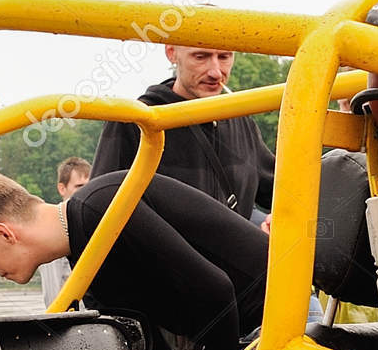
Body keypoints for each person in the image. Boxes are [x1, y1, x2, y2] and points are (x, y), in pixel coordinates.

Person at [0, 170, 269, 350]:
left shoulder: (100, 208)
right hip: (241, 332)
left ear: (4, 233)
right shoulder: (86, 261)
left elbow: (215, 290)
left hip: (271, 318)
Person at [90, 46, 275, 222]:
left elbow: (283, 192)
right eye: (200, 57)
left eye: (224, 57)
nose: (216, 72)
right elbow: (98, 207)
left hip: (232, 255)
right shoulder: (136, 122)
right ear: (171, 53)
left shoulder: (242, 123)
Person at [38, 157, 91, 307]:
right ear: (62, 188)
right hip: (68, 318)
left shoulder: (91, 223)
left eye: (89, 185)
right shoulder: (52, 229)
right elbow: (54, 289)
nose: (86, 191)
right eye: (79, 186)